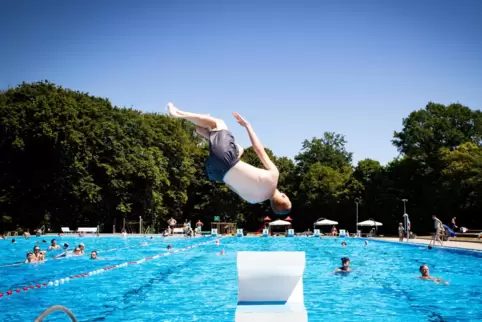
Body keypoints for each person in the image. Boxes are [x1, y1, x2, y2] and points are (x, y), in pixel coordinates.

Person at [167, 103, 291, 214]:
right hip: (215, 173)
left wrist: (247, 125)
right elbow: (230, 185)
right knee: (239, 149)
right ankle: (205, 133)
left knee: (218, 123)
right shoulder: (252, 200)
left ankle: (177, 114)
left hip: (227, 158)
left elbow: (258, 149)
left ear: (284, 196)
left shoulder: (274, 176)